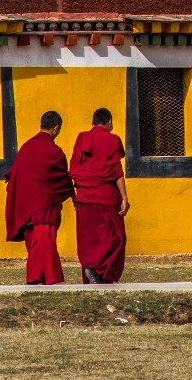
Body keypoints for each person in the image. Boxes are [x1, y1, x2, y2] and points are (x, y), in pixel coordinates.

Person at [5, 110, 74, 285]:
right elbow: (62, 178)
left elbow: (14, 174)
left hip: (26, 206)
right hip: (45, 205)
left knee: (35, 244)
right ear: (56, 128)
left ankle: (36, 276)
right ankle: (49, 277)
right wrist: (73, 194)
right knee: (45, 241)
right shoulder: (54, 151)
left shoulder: (26, 147)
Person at [69, 107, 130, 284]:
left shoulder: (81, 138)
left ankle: (91, 268)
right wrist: (124, 197)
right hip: (106, 198)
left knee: (90, 238)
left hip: (84, 198)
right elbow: (116, 170)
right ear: (109, 121)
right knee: (116, 237)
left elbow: (74, 167)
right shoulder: (112, 140)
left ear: (93, 123)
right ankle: (100, 272)